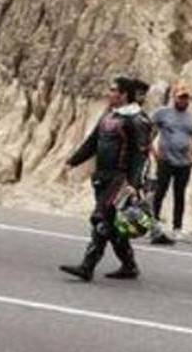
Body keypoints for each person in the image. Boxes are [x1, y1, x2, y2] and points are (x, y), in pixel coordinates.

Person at [59, 77, 151, 281]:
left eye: (113, 90)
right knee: (112, 224)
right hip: (102, 177)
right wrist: (72, 162)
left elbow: (141, 155)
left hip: (120, 179)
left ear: (124, 94)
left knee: (100, 218)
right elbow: (92, 143)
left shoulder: (137, 120)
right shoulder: (109, 116)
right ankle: (129, 265)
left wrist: (134, 184)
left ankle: (87, 267)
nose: (109, 94)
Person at [148, 84, 192, 244]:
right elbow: (150, 131)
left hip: (184, 162)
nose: (183, 101)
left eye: (185, 98)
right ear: (174, 98)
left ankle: (177, 227)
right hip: (165, 160)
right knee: (160, 191)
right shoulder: (162, 113)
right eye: (180, 97)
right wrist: (153, 151)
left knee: (180, 194)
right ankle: (154, 223)